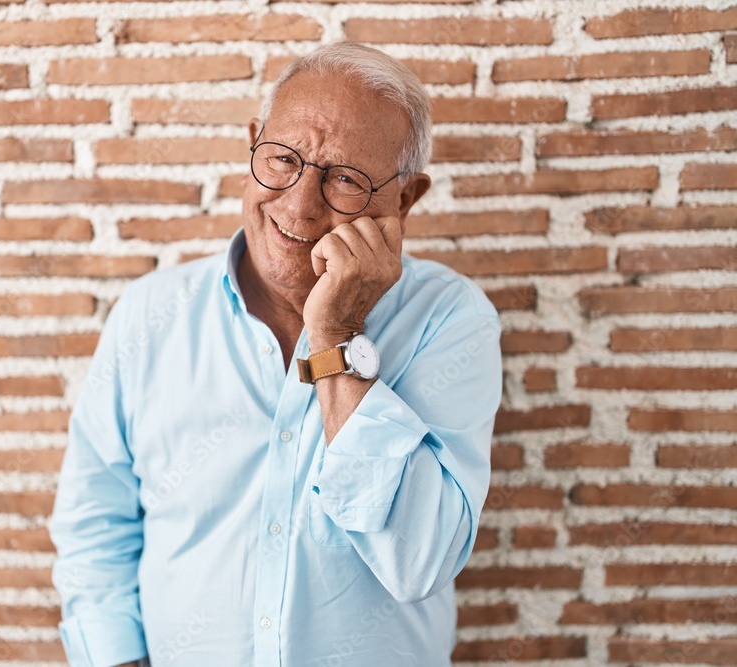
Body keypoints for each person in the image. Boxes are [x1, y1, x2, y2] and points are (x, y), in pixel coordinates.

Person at [50, 42, 502, 667]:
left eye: (346, 179)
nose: (297, 205)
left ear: (405, 200)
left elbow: (420, 559)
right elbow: (95, 530)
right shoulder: (148, 318)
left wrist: (335, 335)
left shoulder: (452, 321)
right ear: (253, 144)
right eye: (283, 159)